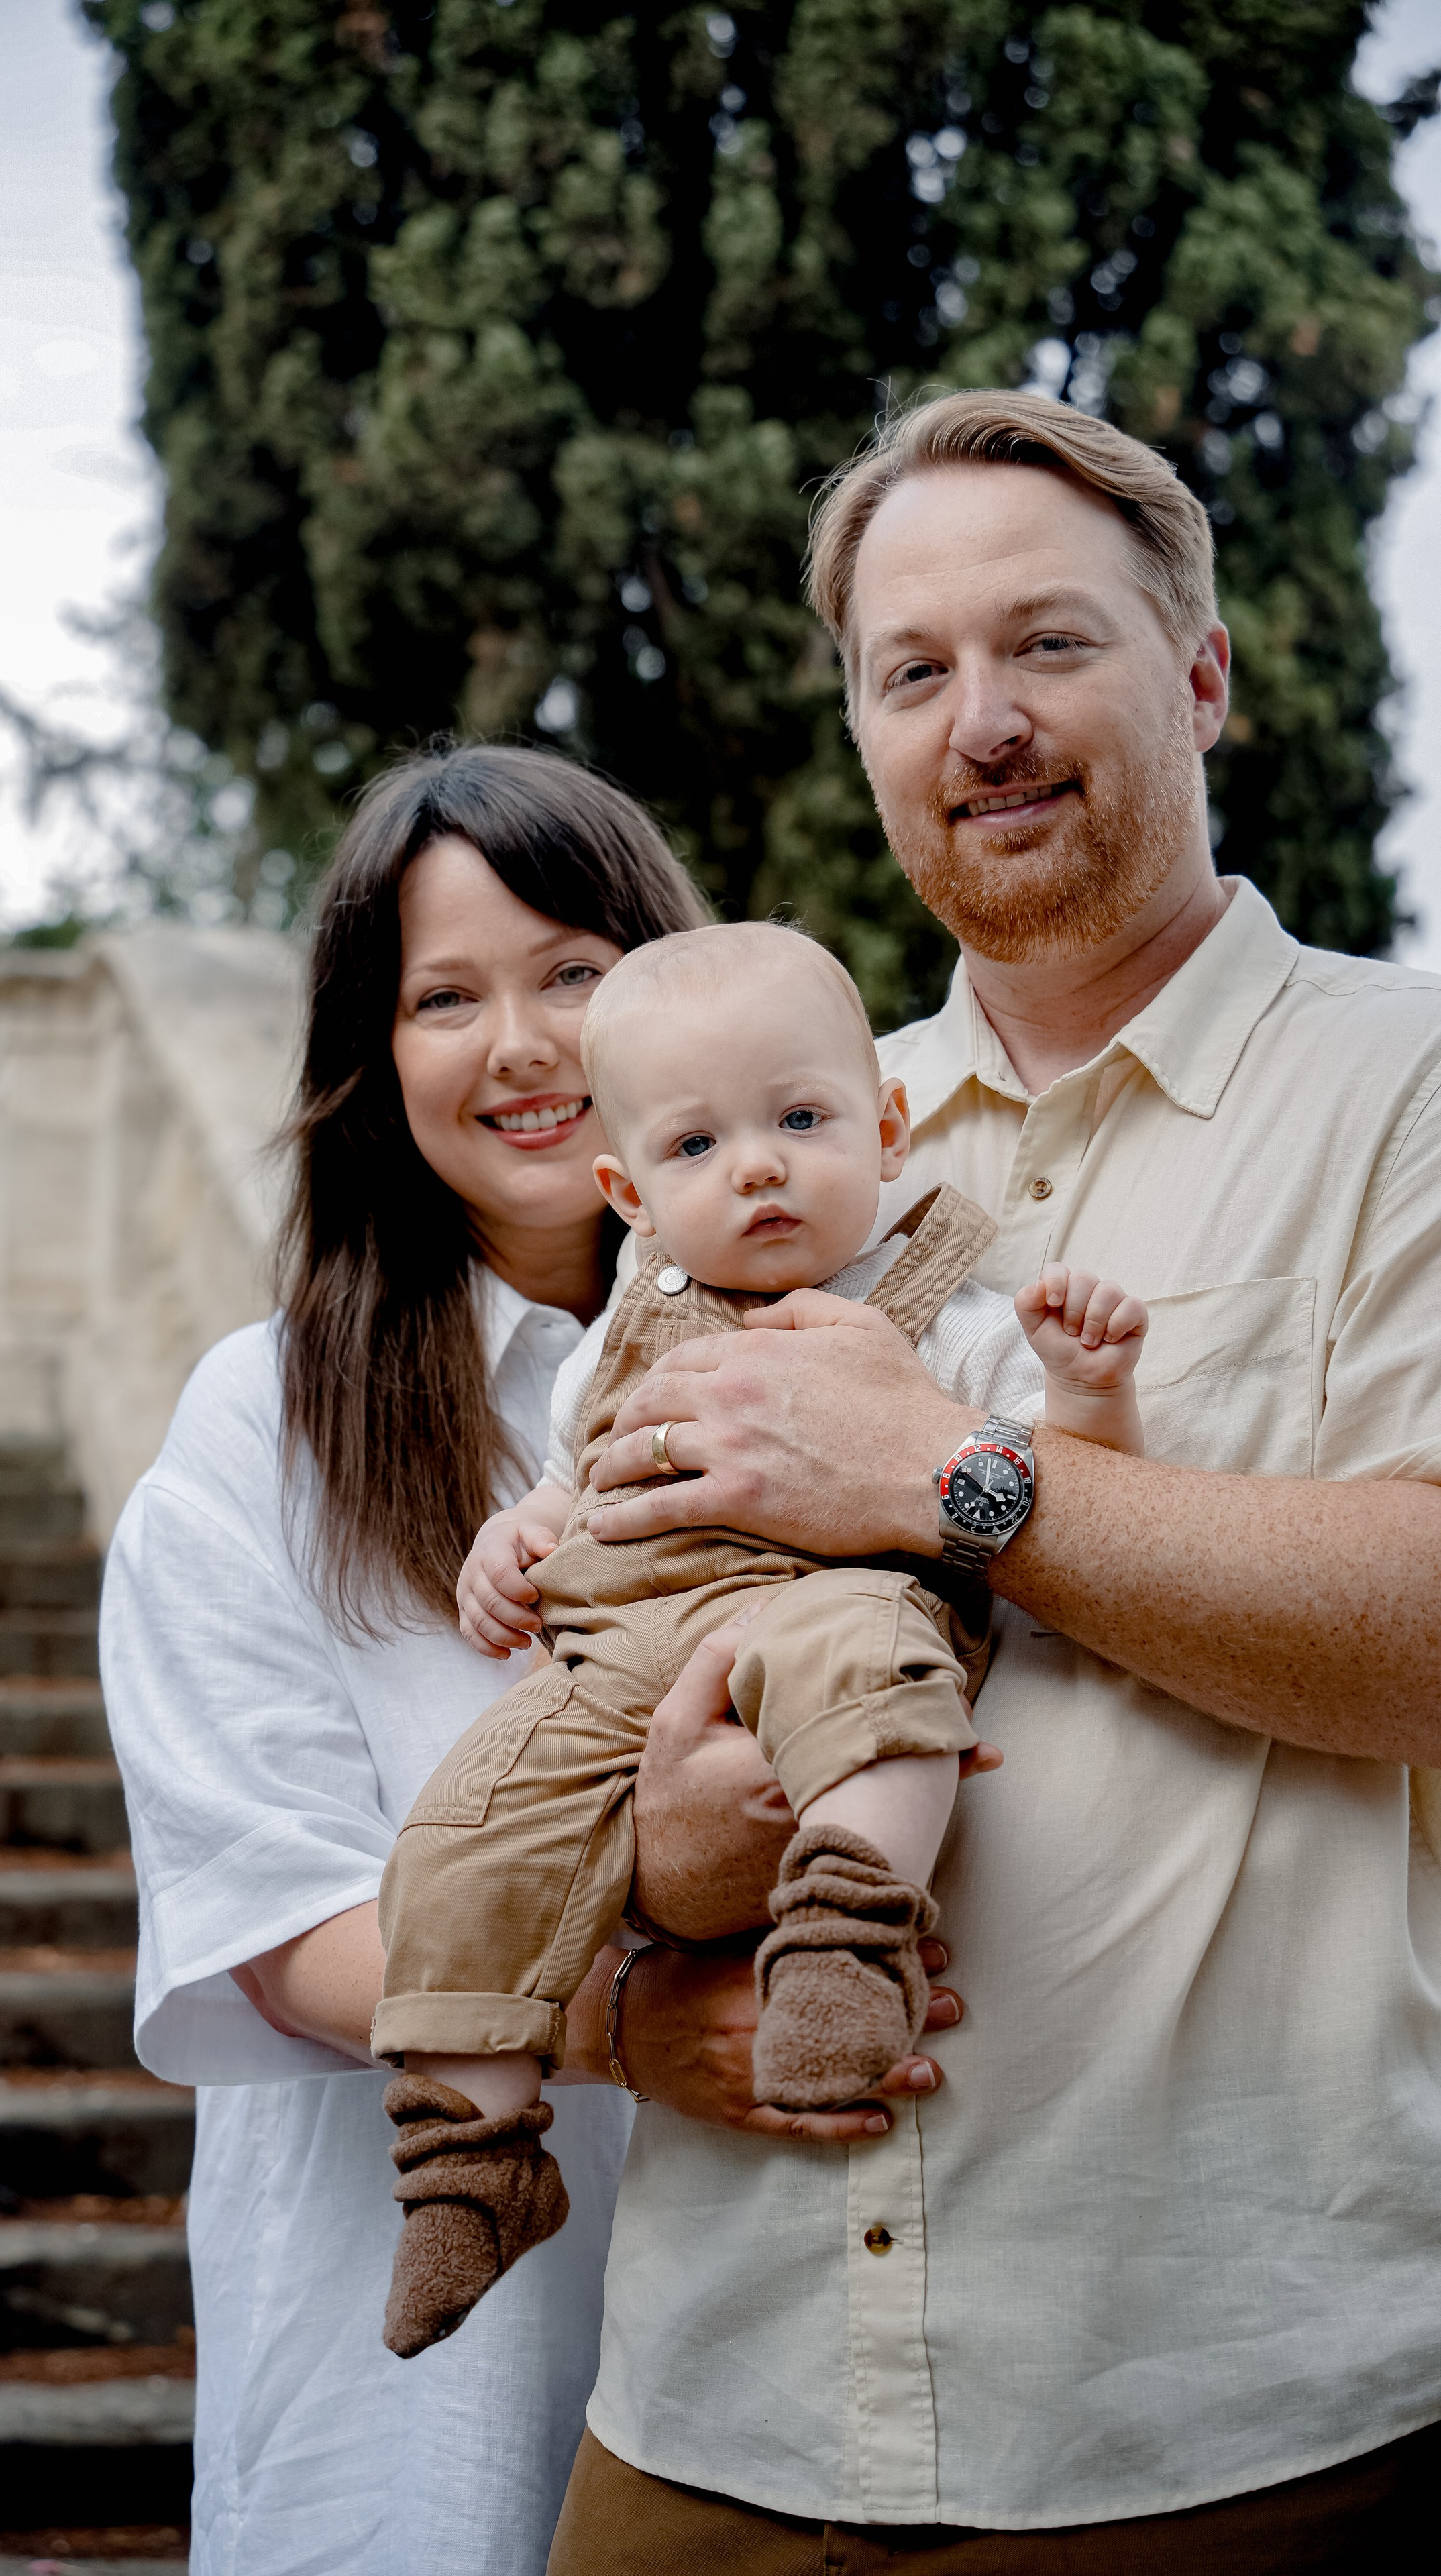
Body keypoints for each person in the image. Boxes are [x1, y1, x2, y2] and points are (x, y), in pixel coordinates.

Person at [544, 390, 1441, 2568]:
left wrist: (954, 1471)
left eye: (1050, 644)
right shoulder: (748, 1132)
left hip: (1210, 2420)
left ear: (1203, 672)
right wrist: (650, 1884)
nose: (985, 723)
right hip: (711, 2402)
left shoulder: (1406, 1084)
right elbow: (587, 1641)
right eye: (912, 669)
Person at [99, 743, 720, 2576]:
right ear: (374, 1060)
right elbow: (277, 1923)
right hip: (420, 2357)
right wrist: (649, 2035)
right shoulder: (267, 1427)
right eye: (444, 997)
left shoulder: (815, 1370)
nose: (520, 1044)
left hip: (774, 2313)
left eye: (572, 970)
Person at [370, 919, 1148, 2358]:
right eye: (694, 1146)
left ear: (886, 1123)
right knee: (466, 1826)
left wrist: (1079, 1389)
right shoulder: (629, 1311)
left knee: (878, 1685)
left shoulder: (940, 1306)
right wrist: (514, 1539)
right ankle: (467, 2161)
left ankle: (846, 1942)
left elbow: (1039, 1496)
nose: (758, 1165)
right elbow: (570, 1473)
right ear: (627, 1193)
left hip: (828, 1597)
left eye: (799, 1119)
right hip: (618, 1645)